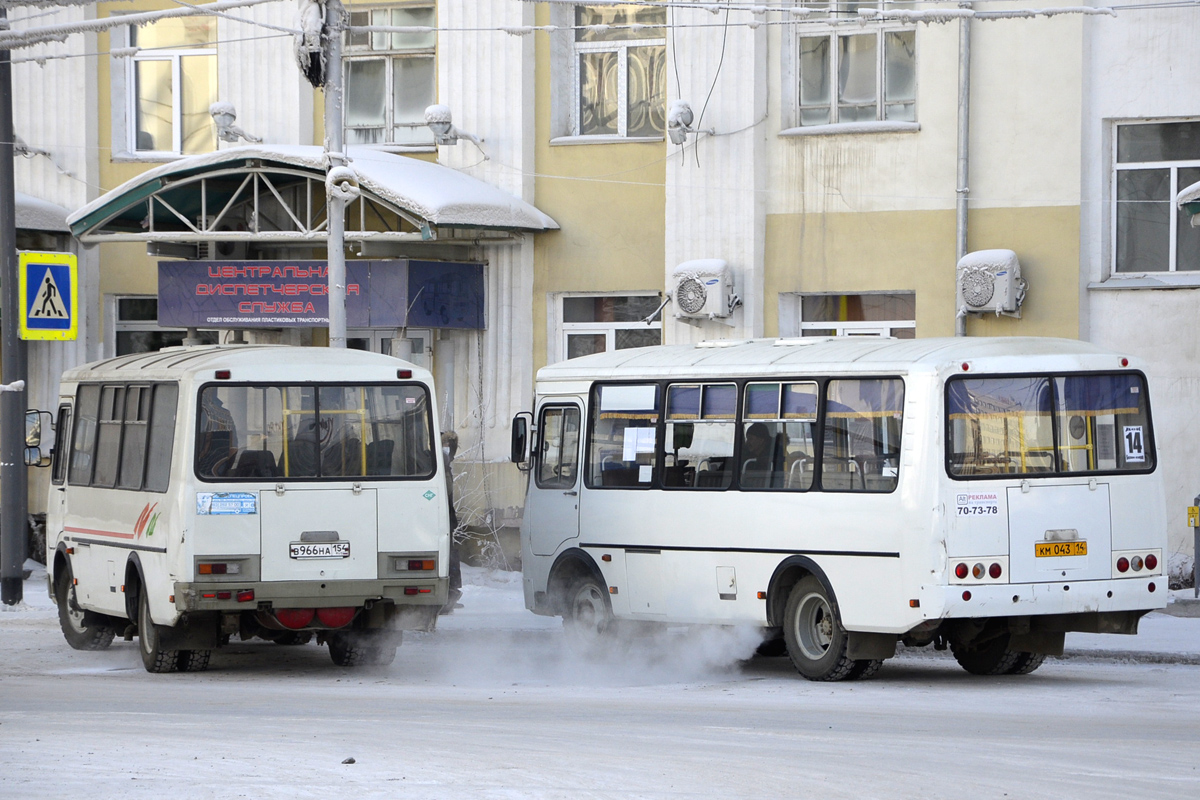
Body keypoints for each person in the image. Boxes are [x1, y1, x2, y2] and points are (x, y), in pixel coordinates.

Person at [439, 430, 463, 614]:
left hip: (447, 516)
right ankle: (449, 593)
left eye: (450, 446)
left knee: (451, 553)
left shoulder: (445, 464)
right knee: (448, 554)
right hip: (442, 516)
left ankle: (452, 592)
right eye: (446, 445)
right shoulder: (438, 464)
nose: (448, 450)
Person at [741, 422, 774, 487]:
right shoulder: (747, 455)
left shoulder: (771, 456)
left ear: (761, 440)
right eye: (747, 439)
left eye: (751, 439)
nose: (747, 442)